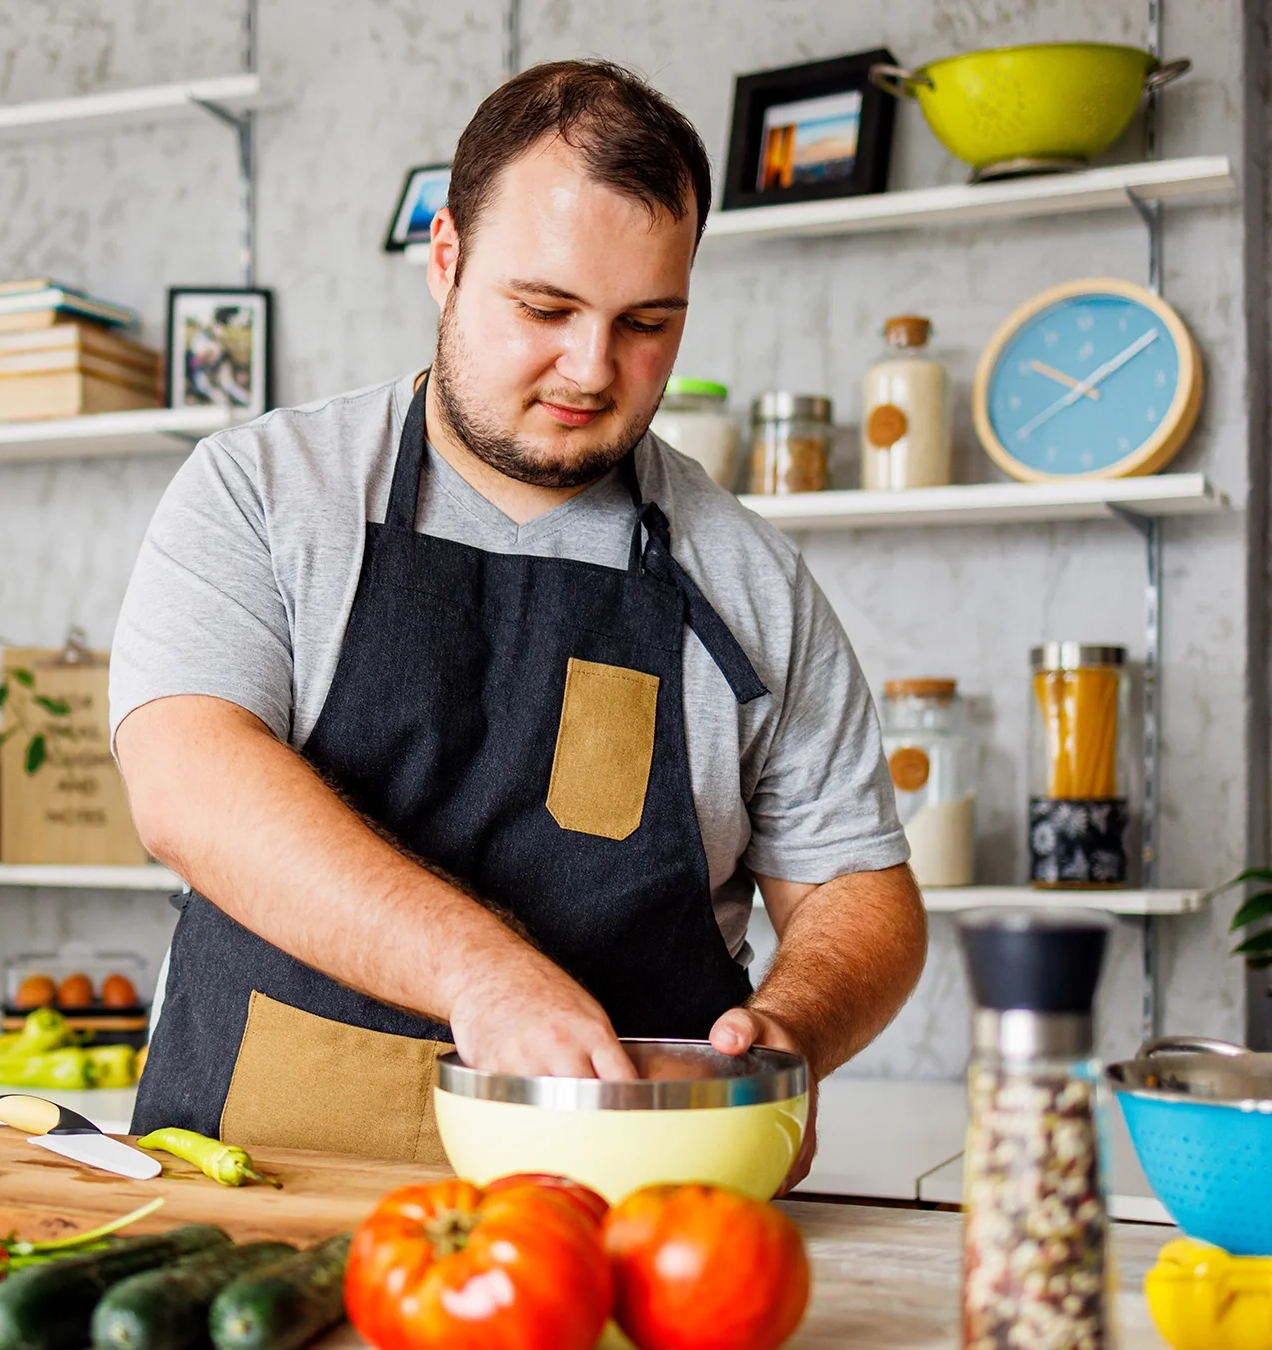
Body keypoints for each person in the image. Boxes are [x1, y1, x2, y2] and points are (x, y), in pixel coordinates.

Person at [109, 59, 926, 1181]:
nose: (592, 370)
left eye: (647, 322)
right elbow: (188, 784)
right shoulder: (264, 492)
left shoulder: (750, 577)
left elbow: (855, 889)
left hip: (637, 1203)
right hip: (268, 1179)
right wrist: (480, 972)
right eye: (545, 309)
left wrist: (795, 1029)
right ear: (445, 259)